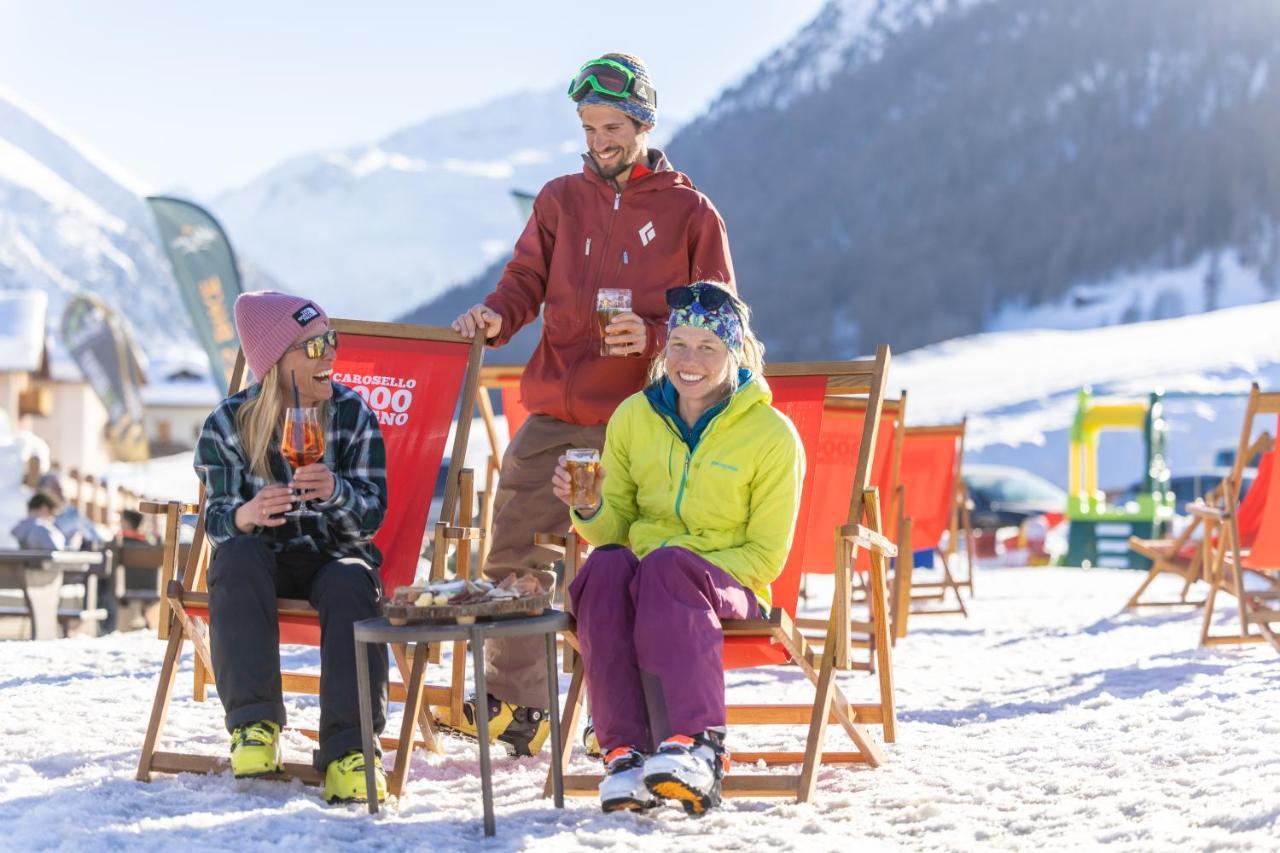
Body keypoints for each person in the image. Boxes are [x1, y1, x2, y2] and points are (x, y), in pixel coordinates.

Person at [442, 52, 736, 756]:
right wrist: (495, 316)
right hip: (553, 413)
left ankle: (626, 717)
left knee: (617, 561)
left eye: (611, 125)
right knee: (515, 546)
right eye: (587, 125)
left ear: (641, 121)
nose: (598, 139)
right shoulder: (558, 201)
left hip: (641, 418)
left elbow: (725, 321)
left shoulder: (690, 213)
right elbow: (522, 281)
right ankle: (519, 704)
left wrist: (659, 335)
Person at [551, 282, 804, 815]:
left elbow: (766, 556)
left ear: (735, 353)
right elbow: (613, 532)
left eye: (708, 348)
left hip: (731, 588)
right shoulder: (633, 418)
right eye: (679, 345)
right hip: (651, 580)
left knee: (662, 568)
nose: (690, 361)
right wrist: (593, 508)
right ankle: (624, 754)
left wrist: (679, 570)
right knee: (604, 568)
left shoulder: (772, 435)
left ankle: (700, 747)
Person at [194, 290, 389, 804]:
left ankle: (353, 751)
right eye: (314, 345)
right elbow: (215, 519)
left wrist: (336, 492)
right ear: (275, 360)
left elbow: (370, 519)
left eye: (331, 340)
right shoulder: (229, 423)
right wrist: (248, 514)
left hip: (333, 555)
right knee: (234, 554)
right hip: (266, 560)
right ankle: (254, 728)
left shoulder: (351, 414)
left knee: (352, 580)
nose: (330, 353)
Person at [35, 473, 104, 549]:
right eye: (57, 489)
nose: (62, 493)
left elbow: (95, 537)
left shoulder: (72, 512)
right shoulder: (37, 517)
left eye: (61, 489)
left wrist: (81, 538)